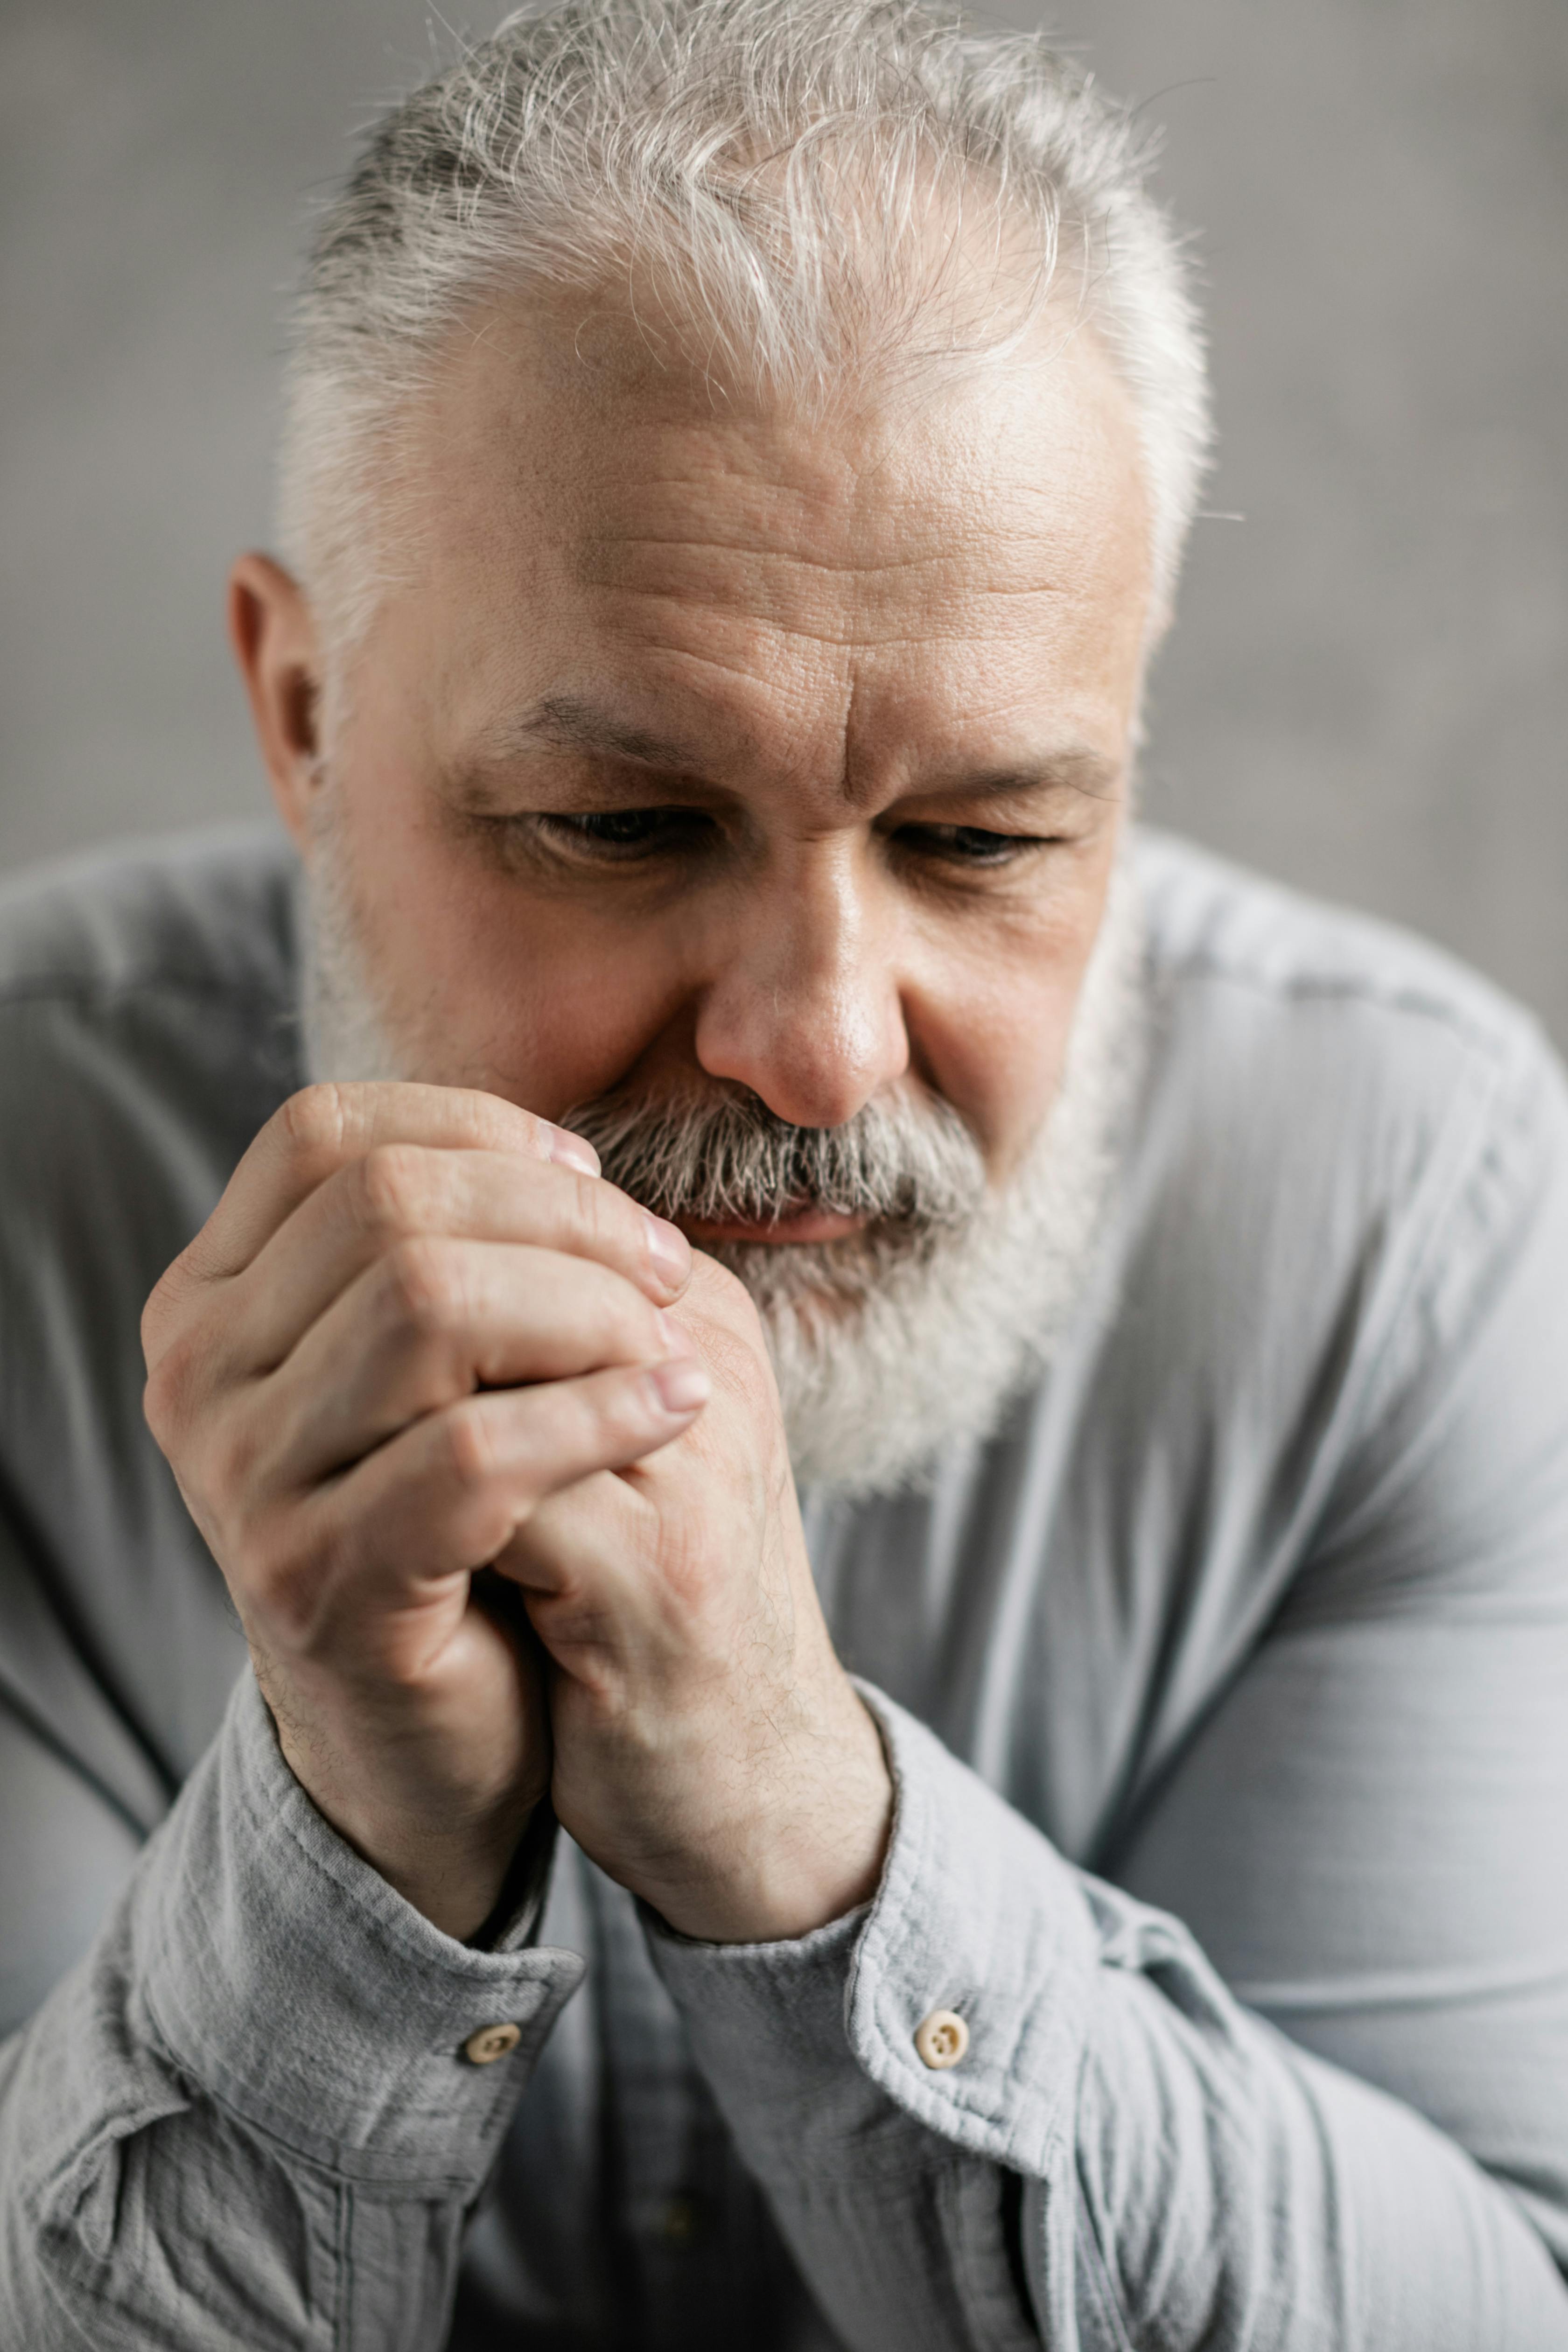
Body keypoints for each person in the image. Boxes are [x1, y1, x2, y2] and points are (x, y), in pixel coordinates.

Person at [2, 0, 1567, 2342]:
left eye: (983, 836)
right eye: (620, 826)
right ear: (306, 718)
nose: (822, 1053)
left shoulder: (1408, 1217)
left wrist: (794, 1815)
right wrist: (343, 1839)